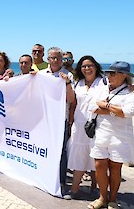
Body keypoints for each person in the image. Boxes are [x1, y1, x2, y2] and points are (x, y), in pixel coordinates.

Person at [87, 61, 134, 209]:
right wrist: (115, 111)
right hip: (101, 133)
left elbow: (128, 112)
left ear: (124, 76)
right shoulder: (102, 89)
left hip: (120, 136)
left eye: (112, 73)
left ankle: (113, 199)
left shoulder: (132, 91)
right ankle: (102, 197)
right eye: (108, 73)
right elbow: (92, 107)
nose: (108, 76)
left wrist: (106, 105)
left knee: (115, 168)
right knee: (99, 165)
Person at [66, 56, 104, 199]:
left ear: (95, 67)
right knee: (79, 157)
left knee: (95, 156)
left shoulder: (103, 83)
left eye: (90, 66)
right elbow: (73, 103)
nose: (87, 69)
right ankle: (75, 189)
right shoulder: (78, 83)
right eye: (83, 66)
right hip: (79, 124)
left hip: (97, 125)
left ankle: (95, 187)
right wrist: (70, 122)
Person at [39, 47, 75, 198]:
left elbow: (71, 99)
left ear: (62, 60)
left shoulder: (68, 75)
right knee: (43, 148)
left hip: (61, 120)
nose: (55, 60)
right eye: (52, 58)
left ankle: (61, 182)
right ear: (48, 59)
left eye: (58, 58)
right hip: (44, 119)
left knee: (61, 152)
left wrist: (66, 83)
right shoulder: (41, 75)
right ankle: (44, 176)